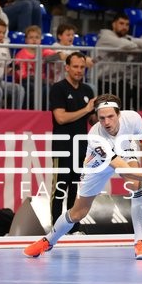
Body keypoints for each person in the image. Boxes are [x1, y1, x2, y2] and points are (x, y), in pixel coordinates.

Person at [25, 93, 142, 259]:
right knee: (78, 213)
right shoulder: (96, 137)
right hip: (98, 165)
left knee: (136, 186)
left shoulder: (133, 119)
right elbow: (126, 171)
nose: (107, 122)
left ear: (119, 114)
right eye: (102, 118)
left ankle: (141, 242)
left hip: (124, 150)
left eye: (110, 116)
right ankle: (49, 241)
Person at [48, 51, 94, 226]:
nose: (79, 70)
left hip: (82, 147)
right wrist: (86, 108)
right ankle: (55, 227)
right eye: (75, 66)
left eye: (82, 67)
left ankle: (73, 227)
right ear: (67, 67)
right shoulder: (58, 88)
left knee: (76, 188)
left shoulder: (87, 90)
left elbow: (91, 119)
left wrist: (103, 112)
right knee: (60, 188)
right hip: (63, 146)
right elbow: (60, 118)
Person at [95, 13, 142, 111]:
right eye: (121, 23)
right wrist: (137, 44)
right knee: (120, 101)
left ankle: (127, 117)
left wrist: (133, 41)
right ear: (114, 24)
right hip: (102, 80)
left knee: (141, 94)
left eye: (127, 24)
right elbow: (127, 45)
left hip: (118, 80)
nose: (124, 27)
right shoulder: (106, 36)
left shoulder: (126, 38)